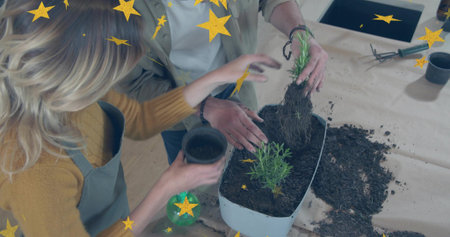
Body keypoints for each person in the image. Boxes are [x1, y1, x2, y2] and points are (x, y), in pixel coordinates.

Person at [0, 0, 280, 236]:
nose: (111, 86)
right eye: (106, 77)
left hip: (121, 221)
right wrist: (164, 189)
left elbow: (141, 118)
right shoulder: (35, 173)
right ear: (71, 81)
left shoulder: (68, 98)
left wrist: (215, 79)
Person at [118, 0, 329, 164]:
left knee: (251, 157)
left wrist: (299, 33)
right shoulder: (108, 11)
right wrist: (205, 106)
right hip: (175, 108)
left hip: (237, 84)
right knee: (193, 184)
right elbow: (134, 84)